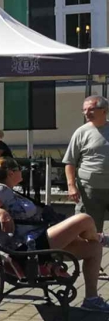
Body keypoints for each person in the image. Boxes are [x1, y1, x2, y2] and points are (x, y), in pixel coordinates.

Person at [0, 156, 109, 311]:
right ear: (10, 173)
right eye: (18, 169)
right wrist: (1, 212)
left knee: (94, 248)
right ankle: (101, 238)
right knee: (84, 219)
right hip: (28, 249)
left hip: (35, 243)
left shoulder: (9, 191)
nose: (22, 171)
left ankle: (91, 299)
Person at [64, 95, 109, 229]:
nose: (86, 113)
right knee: (89, 229)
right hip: (90, 189)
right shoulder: (81, 132)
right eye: (84, 110)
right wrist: (71, 186)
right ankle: (91, 250)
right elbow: (70, 162)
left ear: (104, 110)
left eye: (91, 109)